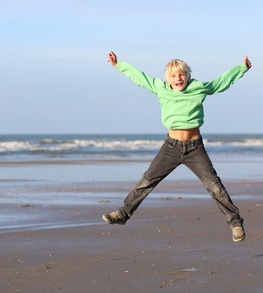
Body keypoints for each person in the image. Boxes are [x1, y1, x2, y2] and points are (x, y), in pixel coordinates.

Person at [103, 51, 252, 242]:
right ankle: (123, 214)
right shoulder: (161, 88)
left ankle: (235, 223)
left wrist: (241, 68)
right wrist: (118, 64)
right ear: (167, 79)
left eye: (181, 74)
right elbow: (140, 77)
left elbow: (220, 83)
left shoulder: (198, 88)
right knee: (146, 181)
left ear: (188, 76)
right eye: (173, 76)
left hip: (195, 148)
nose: (178, 78)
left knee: (215, 186)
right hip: (170, 148)